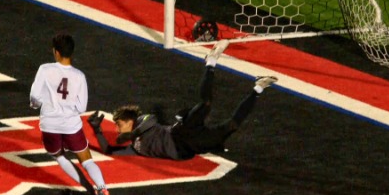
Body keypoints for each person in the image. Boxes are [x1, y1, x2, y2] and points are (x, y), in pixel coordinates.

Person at [87, 40, 278, 159]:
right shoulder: (135, 149)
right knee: (232, 126)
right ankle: (259, 87)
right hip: (188, 149)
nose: (117, 128)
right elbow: (109, 150)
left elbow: (144, 126)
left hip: (180, 133)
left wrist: (128, 136)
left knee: (206, 104)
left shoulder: (144, 119)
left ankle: (211, 61)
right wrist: (97, 130)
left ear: (130, 120)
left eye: (119, 124)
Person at [30, 33, 116, 195]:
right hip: (71, 125)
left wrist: (39, 104)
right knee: (87, 160)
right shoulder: (79, 76)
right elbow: (81, 107)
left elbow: (35, 98)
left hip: (49, 125)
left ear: (56, 52)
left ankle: (87, 187)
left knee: (59, 156)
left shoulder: (45, 69)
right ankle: (102, 188)